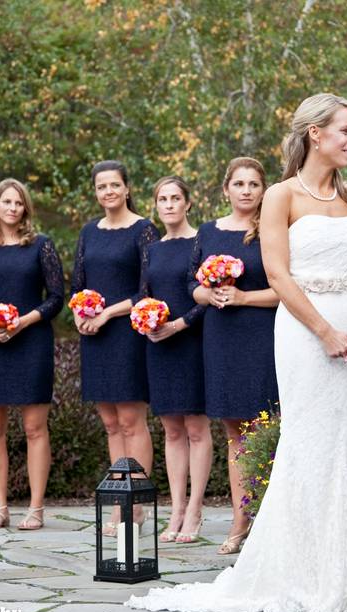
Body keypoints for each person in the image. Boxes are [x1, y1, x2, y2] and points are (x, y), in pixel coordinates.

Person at [127, 94, 347, 612]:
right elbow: (280, 274)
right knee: (307, 439)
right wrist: (325, 332)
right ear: (316, 134)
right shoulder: (281, 197)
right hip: (305, 334)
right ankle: (302, 566)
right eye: (346, 130)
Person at [0, 178, 65, 531]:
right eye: (7, 202)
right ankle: (0, 508)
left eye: (19, 203)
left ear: (26, 209)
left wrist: (24, 321)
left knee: (35, 428)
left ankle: (35, 509)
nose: (13, 208)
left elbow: (56, 297)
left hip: (31, 343)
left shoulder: (41, 247)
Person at [187, 157, 280, 555]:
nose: (246, 190)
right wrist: (207, 294)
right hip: (221, 337)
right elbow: (192, 284)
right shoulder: (208, 231)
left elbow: (285, 290)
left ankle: (270, 518)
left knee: (266, 429)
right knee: (233, 433)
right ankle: (240, 520)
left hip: (262, 335)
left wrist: (242, 296)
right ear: (225, 189)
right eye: (238, 183)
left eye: (254, 184)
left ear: (263, 190)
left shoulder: (273, 229)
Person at [71, 160, 159, 534]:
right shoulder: (89, 232)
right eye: (101, 186)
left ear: (126, 189)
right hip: (94, 336)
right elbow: (77, 282)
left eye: (114, 185)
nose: (108, 191)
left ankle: (134, 505)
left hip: (126, 332)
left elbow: (147, 289)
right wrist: (79, 313)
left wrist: (107, 313)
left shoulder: (143, 230)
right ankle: (117, 501)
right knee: (110, 423)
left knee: (130, 420)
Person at [141, 176, 211, 544]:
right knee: (170, 430)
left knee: (197, 429)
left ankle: (196, 510)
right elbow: (144, 293)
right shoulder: (152, 248)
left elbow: (208, 298)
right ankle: (176, 509)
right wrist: (147, 320)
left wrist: (178, 325)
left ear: (187, 202)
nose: (168, 205)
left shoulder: (201, 241)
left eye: (175, 198)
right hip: (159, 345)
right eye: (162, 199)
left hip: (193, 342)